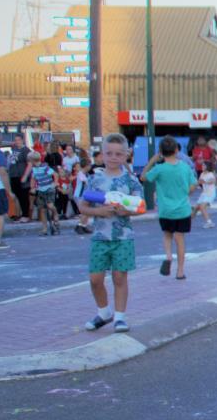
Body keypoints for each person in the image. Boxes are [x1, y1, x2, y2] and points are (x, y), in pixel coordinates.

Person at [78, 133, 144, 333]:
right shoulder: (95, 179)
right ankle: (103, 312)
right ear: (102, 154)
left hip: (123, 237)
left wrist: (127, 211)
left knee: (119, 278)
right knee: (95, 279)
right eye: (109, 153)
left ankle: (120, 317)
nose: (113, 157)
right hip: (100, 237)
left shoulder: (130, 180)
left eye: (118, 154)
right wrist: (99, 211)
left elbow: (141, 206)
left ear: (126, 155)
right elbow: (83, 205)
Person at [142, 137, 197, 279]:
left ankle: (168, 256)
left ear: (161, 152)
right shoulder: (184, 167)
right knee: (180, 239)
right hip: (183, 209)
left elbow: (143, 177)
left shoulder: (159, 169)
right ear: (177, 150)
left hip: (165, 210)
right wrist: (186, 192)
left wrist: (152, 161)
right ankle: (180, 271)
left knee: (167, 234)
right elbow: (193, 185)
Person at [29, 152, 58, 236]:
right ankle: (44, 228)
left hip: (49, 189)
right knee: (42, 209)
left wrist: (55, 183)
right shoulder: (34, 169)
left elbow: (55, 174)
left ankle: (55, 213)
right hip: (41, 190)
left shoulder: (45, 167)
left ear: (33, 160)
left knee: (50, 205)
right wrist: (32, 187)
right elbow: (33, 179)